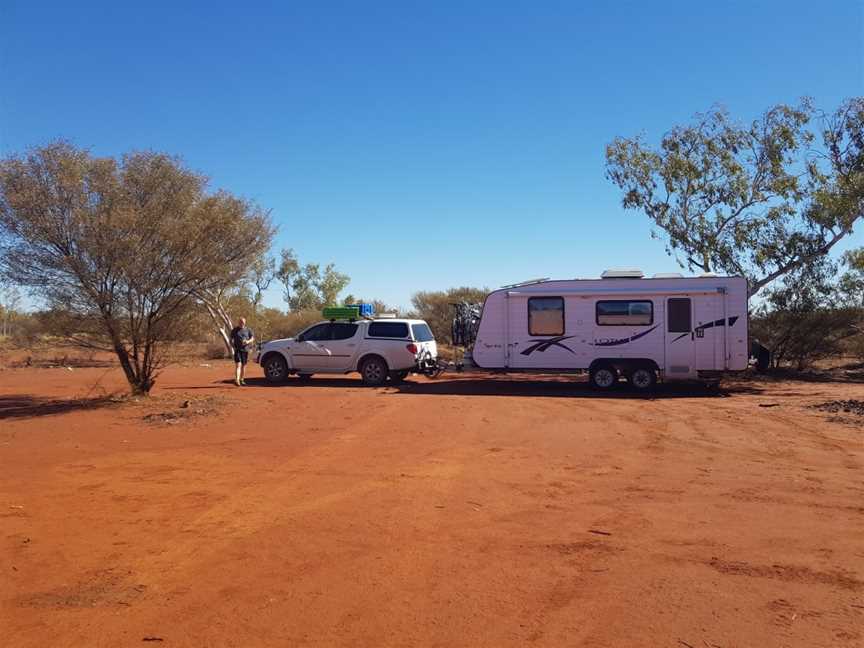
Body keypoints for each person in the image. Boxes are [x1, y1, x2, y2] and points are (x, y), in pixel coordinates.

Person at [230, 317, 255, 386]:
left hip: (245, 350)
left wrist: (247, 341)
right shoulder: (234, 330)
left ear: (245, 322)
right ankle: (237, 380)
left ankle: (242, 379)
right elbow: (231, 340)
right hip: (237, 350)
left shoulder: (248, 330)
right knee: (238, 364)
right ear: (238, 322)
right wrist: (233, 346)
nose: (242, 323)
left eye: (243, 322)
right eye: (240, 322)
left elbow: (252, 338)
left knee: (244, 365)